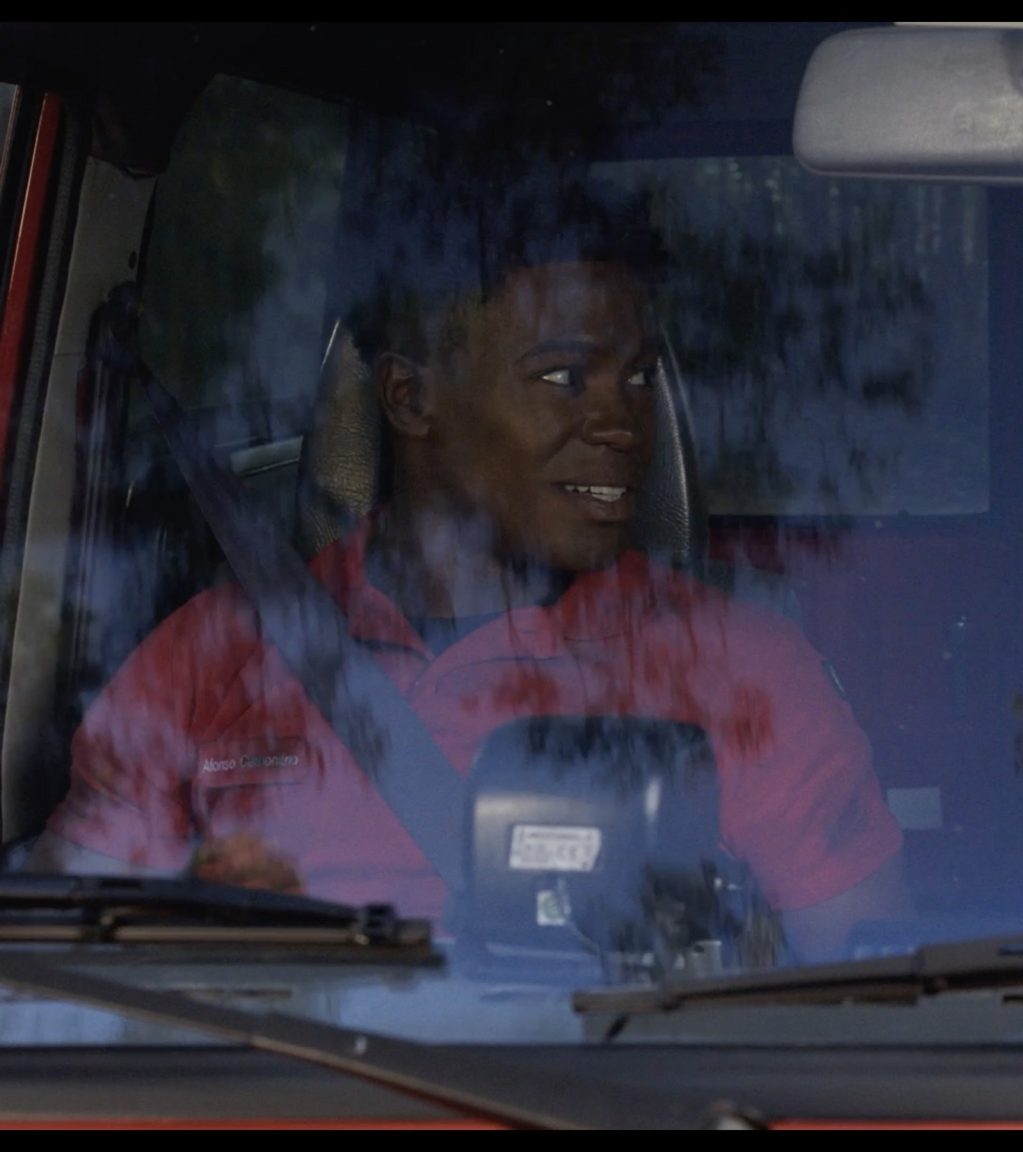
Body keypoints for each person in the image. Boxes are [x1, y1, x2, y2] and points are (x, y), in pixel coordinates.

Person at [27, 166, 908, 962]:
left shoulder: (742, 672)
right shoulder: (209, 659)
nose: (622, 426)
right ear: (412, 398)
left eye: (639, 380)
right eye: (565, 378)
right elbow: (66, 979)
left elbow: (862, 1003)